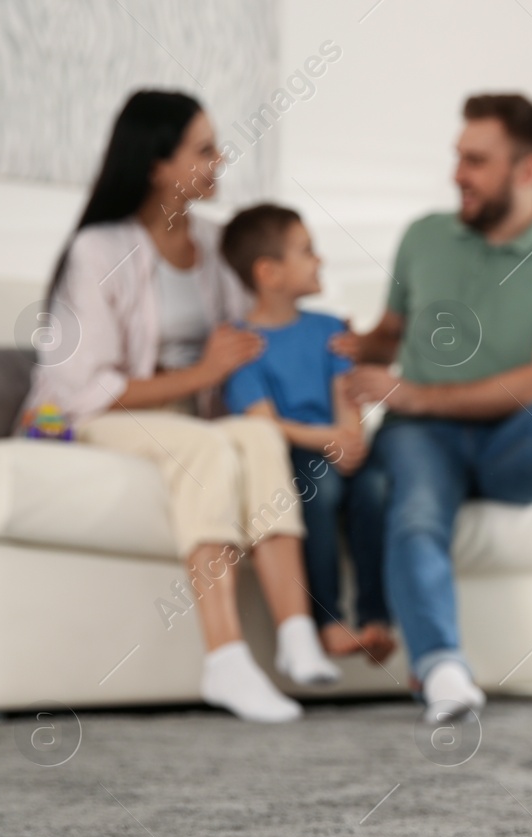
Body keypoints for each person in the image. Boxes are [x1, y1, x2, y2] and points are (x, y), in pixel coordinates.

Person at [24, 90, 339, 724]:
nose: (220, 159)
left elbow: (256, 336)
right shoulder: (99, 250)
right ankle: (225, 659)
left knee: (257, 440)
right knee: (210, 446)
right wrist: (201, 372)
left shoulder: (216, 248)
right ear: (156, 165)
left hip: (187, 414)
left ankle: (299, 635)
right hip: (91, 419)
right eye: (203, 149)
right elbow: (85, 385)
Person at [338, 93, 532, 723]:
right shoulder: (425, 236)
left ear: (527, 170)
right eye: (459, 157)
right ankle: (442, 671)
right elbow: (391, 329)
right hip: (424, 437)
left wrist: (415, 393)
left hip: (513, 439)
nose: (458, 173)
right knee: (413, 504)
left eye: (476, 160)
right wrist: (344, 343)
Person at [218, 203, 397, 665]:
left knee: (375, 486)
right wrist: (327, 441)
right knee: (319, 485)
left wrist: (350, 436)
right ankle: (328, 624)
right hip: (295, 453)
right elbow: (262, 423)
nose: (320, 260)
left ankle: (377, 619)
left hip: (341, 443)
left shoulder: (330, 329)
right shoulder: (241, 344)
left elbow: (347, 394)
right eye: (307, 251)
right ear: (269, 273)